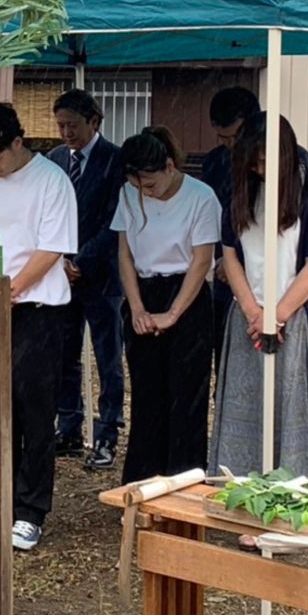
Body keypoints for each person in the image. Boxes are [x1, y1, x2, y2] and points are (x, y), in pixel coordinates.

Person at [210, 113, 308, 494]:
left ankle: (296, 492)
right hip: (248, 314)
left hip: (297, 316)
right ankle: (243, 489)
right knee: (249, 403)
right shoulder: (240, 189)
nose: (261, 170)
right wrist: (254, 313)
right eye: (253, 163)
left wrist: (279, 314)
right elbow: (230, 254)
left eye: (267, 162)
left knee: (292, 405)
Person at [0, 103, 77, 552]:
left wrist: (12, 287)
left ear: (17, 141)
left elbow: (54, 248)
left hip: (38, 309)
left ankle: (31, 509)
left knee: (34, 410)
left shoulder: (52, 181)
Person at [112, 126, 220, 483]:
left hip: (186, 295)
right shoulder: (129, 195)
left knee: (187, 396)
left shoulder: (201, 197)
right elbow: (124, 254)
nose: (146, 192)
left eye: (151, 185)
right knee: (146, 395)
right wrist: (138, 308)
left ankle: (184, 480)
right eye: (139, 186)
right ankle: (143, 479)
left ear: (170, 167)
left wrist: (173, 313)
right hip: (143, 290)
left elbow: (202, 260)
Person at [44, 89, 126, 471]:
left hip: (104, 274)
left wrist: (84, 258)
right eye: (60, 126)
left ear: (94, 121)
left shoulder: (115, 160)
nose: (66, 133)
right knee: (64, 353)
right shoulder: (54, 160)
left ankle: (108, 431)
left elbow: (116, 220)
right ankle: (69, 426)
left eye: (73, 125)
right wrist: (60, 259)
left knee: (108, 356)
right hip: (61, 272)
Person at [198, 86, 262, 385]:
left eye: (234, 137)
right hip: (223, 276)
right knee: (224, 360)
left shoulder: (285, 159)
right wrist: (221, 257)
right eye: (222, 138)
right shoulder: (214, 161)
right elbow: (209, 216)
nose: (229, 144)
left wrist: (240, 259)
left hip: (268, 276)